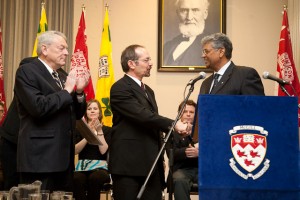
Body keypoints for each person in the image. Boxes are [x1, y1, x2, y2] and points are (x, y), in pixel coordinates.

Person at [108, 44, 191, 200]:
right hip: (129, 165)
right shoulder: (119, 88)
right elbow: (144, 116)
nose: (151, 63)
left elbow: (152, 126)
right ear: (131, 64)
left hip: (151, 164)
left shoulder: (148, 91)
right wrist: (174, 125)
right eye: (146, 60)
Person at [14, 31, 89, 191]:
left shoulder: (62, 75)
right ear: (45, 49)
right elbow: (38, 107)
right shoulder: (27, 71)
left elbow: (77, 113)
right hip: (40, 158)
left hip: (64, 159)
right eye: (61, 48)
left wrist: (79, 92)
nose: (67, 53)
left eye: (67, 49)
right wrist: (67, 90)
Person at [0, 57, 36, 190]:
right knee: (12, 184)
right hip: (12, 138)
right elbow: (24, 64)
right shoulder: (28, 66)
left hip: (31, 141)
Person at [199, 33, 265, 95]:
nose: (202, 56)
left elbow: (257, 105)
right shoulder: (205, 83)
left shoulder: (245, 75)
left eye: (206, 51)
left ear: (221, 52)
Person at [73, 99, 111, 200]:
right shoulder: (79, 129)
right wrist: (88, 133)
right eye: (89, 109)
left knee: (94, 178)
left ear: (99, 112)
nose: (92, 111)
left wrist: (99, 131)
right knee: (76, 179)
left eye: (95, 108)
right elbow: (75, 151)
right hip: (82, 167)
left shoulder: (107, 129)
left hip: (100, 168)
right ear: (86, 112)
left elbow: (103, 151)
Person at [166, 99, 198, 200]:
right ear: (180, 113)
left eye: (192, 112)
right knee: (179, 180)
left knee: (217, 179)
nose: (188, 114)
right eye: (185, 111)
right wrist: (186, 151)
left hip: (202, 169)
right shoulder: (171, 131)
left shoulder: (204, 129)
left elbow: (213, 152)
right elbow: (171, 154)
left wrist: (200, 153)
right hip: (181, 170)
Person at [163, 0, 210, 66]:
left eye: (195, 10)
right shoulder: (167, 46)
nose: (189, 17)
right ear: (177, 13)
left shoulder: (213, 46)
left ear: (205, 13)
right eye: (184, 10)